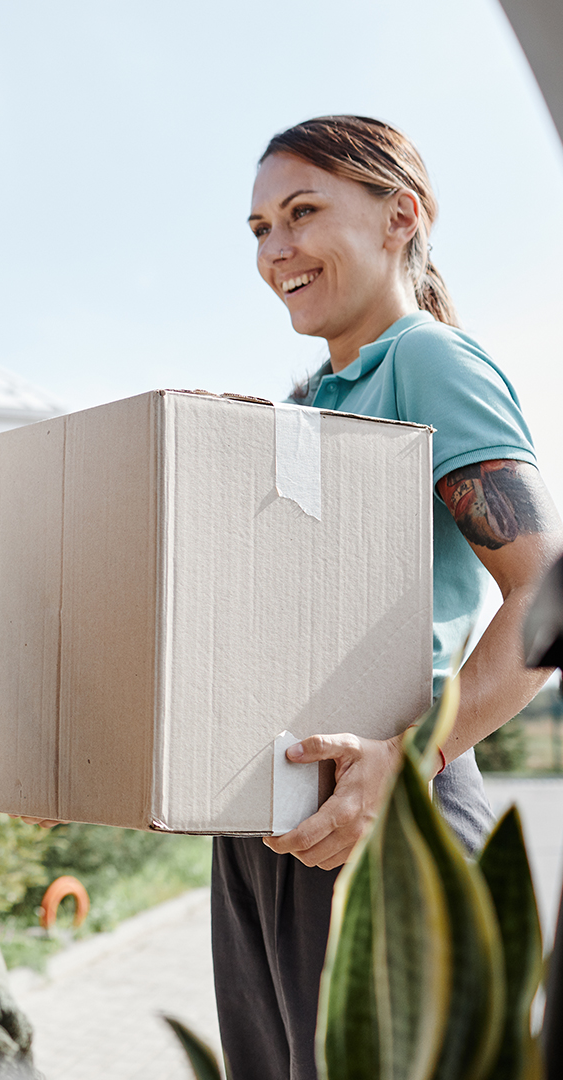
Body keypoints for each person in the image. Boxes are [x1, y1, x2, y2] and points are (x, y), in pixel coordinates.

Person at [212, 115, 563, 1079]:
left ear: (400, 216)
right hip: (269, 829)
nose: (274, 248)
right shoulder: (303, 410)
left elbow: (545, 595)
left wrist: (407, 762)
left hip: (387, 811)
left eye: (302, 211)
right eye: (257, 229)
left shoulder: (430, 362)